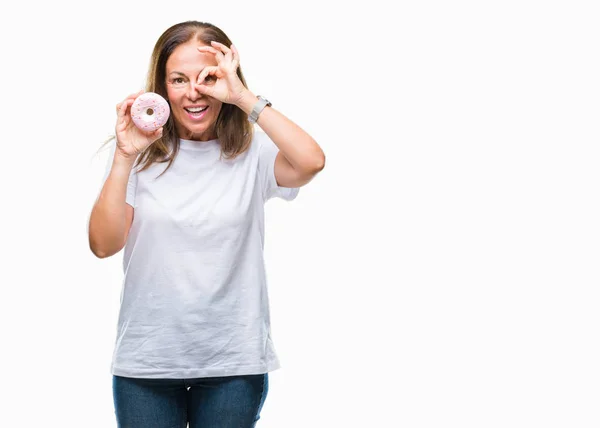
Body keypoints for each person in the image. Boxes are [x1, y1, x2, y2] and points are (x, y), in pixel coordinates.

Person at [88, 20, 325, 428]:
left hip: (232, 363)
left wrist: (243, 98)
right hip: (148, 365)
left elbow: (311, 161)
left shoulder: (254, 150)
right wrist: (125, 157)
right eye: (178, 79)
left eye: (208, 77)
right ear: (161, 88)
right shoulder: (137, 154)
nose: (194, 92)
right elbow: (104, 244)